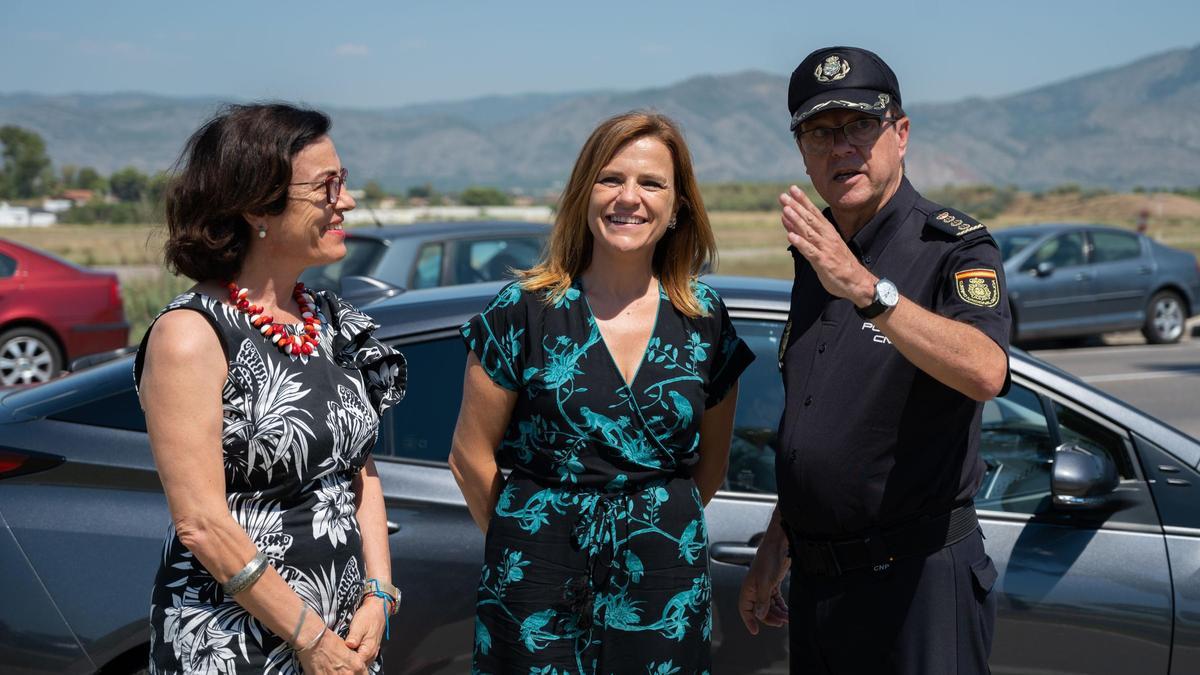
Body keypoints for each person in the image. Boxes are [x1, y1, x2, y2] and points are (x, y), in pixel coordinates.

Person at [449, 111, 755, 673]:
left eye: (651, 183)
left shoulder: (705, 318)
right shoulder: (523, 310)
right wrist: (533, 539)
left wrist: (646, 528)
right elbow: (469, 457)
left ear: (678, 205)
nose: (628, 198)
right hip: (535, 576)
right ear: (583, 193)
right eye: (610, 179)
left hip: (663, 574)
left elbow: (710, 468)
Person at [738, 47, 1011, 674]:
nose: (841, 148)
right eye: (819, 133)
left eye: (861, 125)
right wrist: (778, 540)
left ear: (901, 133)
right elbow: (826, 423)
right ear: (802, 152)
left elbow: (985, 371)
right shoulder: (817, 253)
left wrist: (866, 288)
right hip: (819, 587)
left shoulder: (952, 247)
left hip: (917, 586)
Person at [135, 103, 407, 674]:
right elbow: (201, 523)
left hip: (343, 637)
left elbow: (360, 471)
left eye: (343, 182)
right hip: (234, 644)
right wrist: (312, 641)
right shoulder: (191, 333)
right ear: (258, 205)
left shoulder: (330, 321)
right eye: (326, 187)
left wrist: (379, 594)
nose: (346, 203)